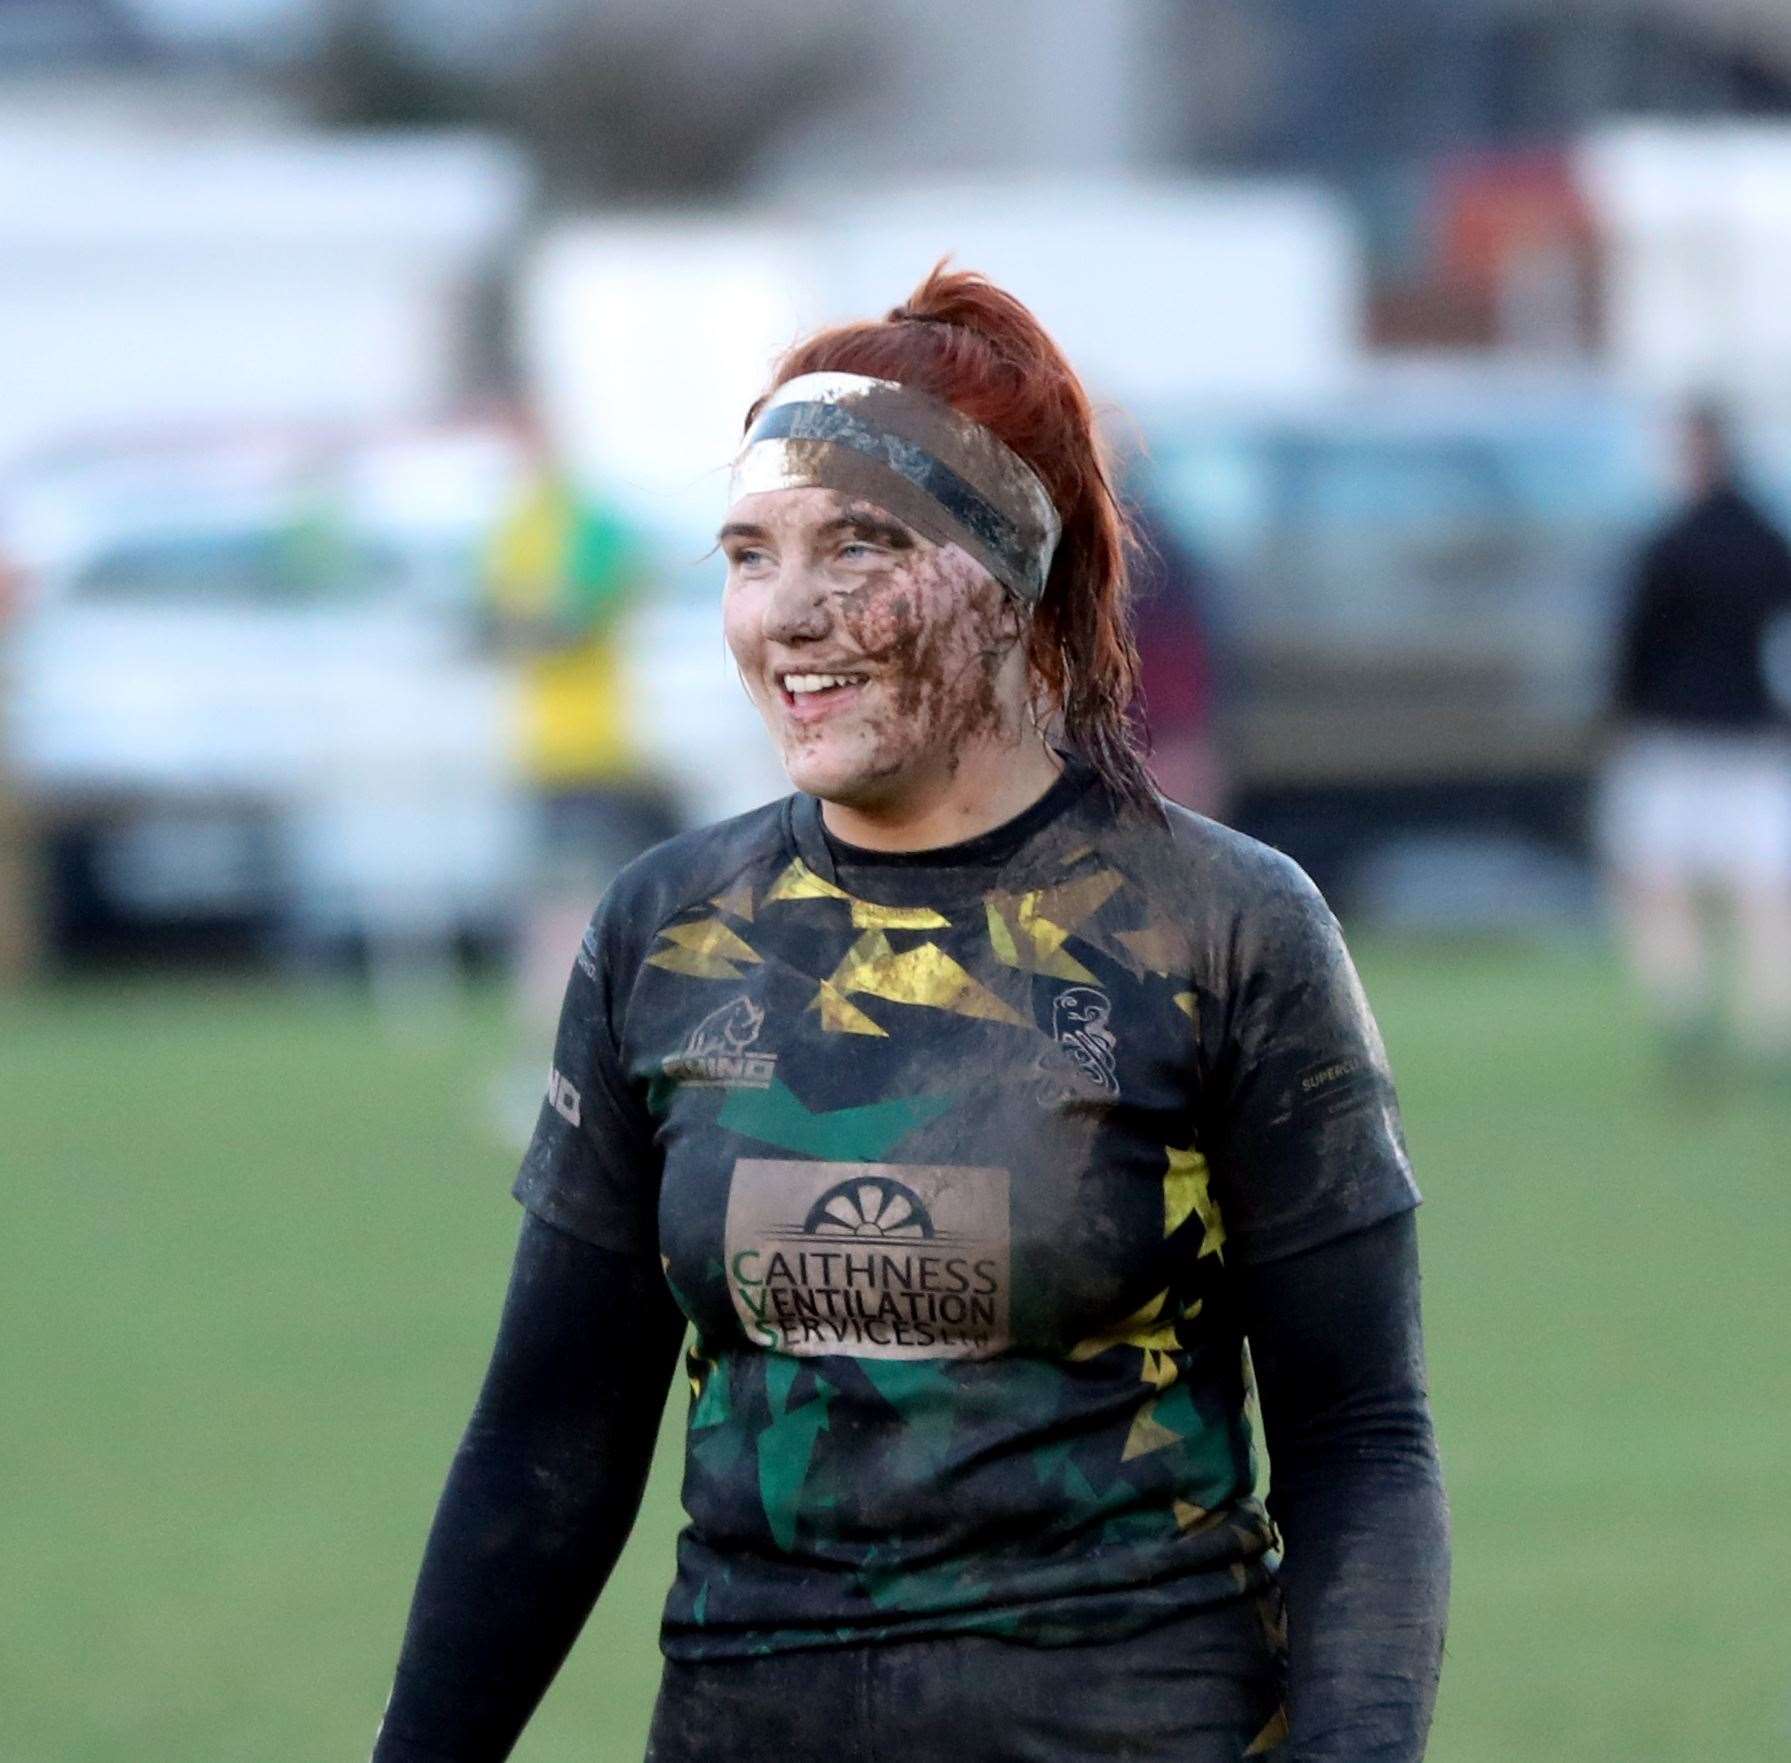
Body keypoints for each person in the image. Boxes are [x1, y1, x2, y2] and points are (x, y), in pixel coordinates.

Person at [371, 267, 1449, 1763]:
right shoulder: (666, 933)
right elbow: (546, 1446)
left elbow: (1358, 1445)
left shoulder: (1219, 926)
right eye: (749, 555)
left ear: (1009, 576)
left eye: (858, 544)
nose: (787, 614)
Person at [1602, 403, 1791, 1076]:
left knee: (1657, 883)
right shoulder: (1769, 542)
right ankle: (1767, 1026)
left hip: (1672, 741)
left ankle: (1683, 1013)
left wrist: (1617, 716)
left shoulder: (1666, 545)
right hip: (1755, 742)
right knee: (1762, 892)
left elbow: (1632, 650)